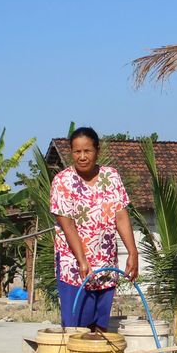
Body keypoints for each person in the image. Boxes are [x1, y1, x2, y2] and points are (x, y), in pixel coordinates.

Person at [50, 126, 139, 330]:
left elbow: (121, 216)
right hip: (74, 265)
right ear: (71, 152)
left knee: (100, 327)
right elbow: (67, 224)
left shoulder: (111, 177)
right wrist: (82, 259)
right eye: (77, 152)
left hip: (105, 262)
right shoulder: (62, 181)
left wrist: (133, 252)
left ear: (97, 150)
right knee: (76, 326)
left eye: (87, 151)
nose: (82, 156)